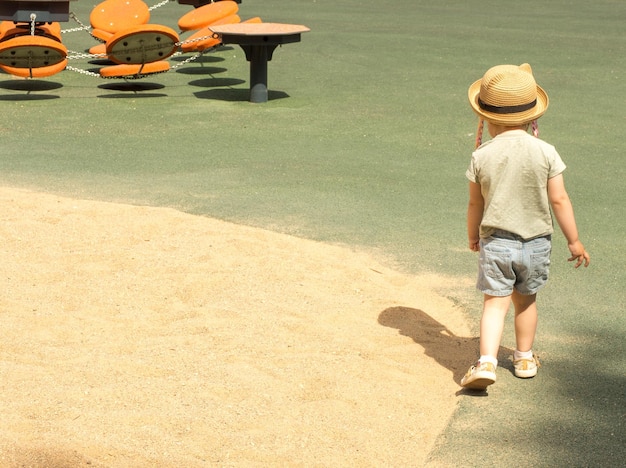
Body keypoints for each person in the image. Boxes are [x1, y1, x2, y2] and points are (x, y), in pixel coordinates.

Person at [460, 63, 590, 390]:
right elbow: (560, 200)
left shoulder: (482, 155)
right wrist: (574, 241)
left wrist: (473, 234)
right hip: (536, 243)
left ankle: (486, 361)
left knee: (495, 303)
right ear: (533, 116)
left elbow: (476, 203)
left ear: (487, 119)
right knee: (526, 301)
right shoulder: (546, 152)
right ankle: (524, 358)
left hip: (497, 242)